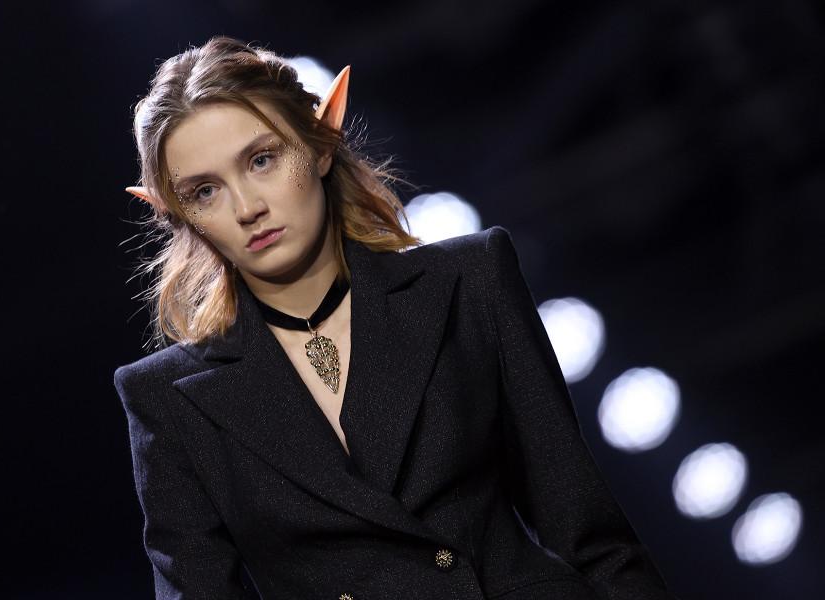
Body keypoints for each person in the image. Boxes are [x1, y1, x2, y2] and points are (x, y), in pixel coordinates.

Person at [114, 35, 677, 600]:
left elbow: (594, 539)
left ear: (320, 144)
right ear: (177, 215)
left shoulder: (468, 281)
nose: (246, 208)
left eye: (262, 160)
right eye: (204, 191)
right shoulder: (169, 397)